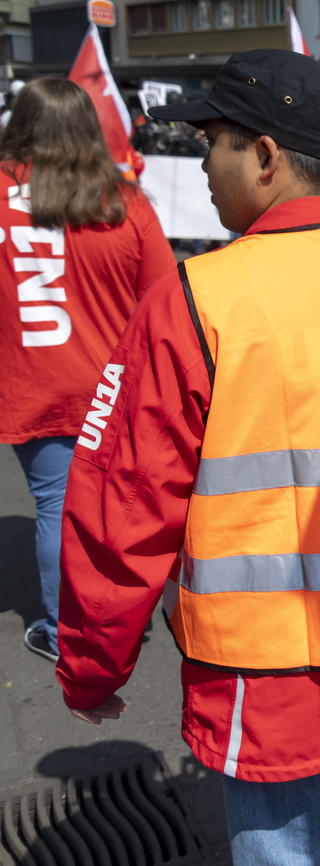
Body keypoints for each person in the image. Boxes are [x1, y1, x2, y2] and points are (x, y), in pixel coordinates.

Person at [55, 50, 320, 866]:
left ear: (265, 156)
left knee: (290, 847)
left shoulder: (199, 298)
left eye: (212, 139)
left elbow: (123, 509)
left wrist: (91, 664)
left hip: (273, 663)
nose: (202, 162)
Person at [0, 77, 173, 662]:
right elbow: (162, 298)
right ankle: (120, 620)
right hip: (114, 386)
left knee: (56, 505)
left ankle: (66, 633)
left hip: (30, 381)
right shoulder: (123, 201)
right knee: (116, 504)